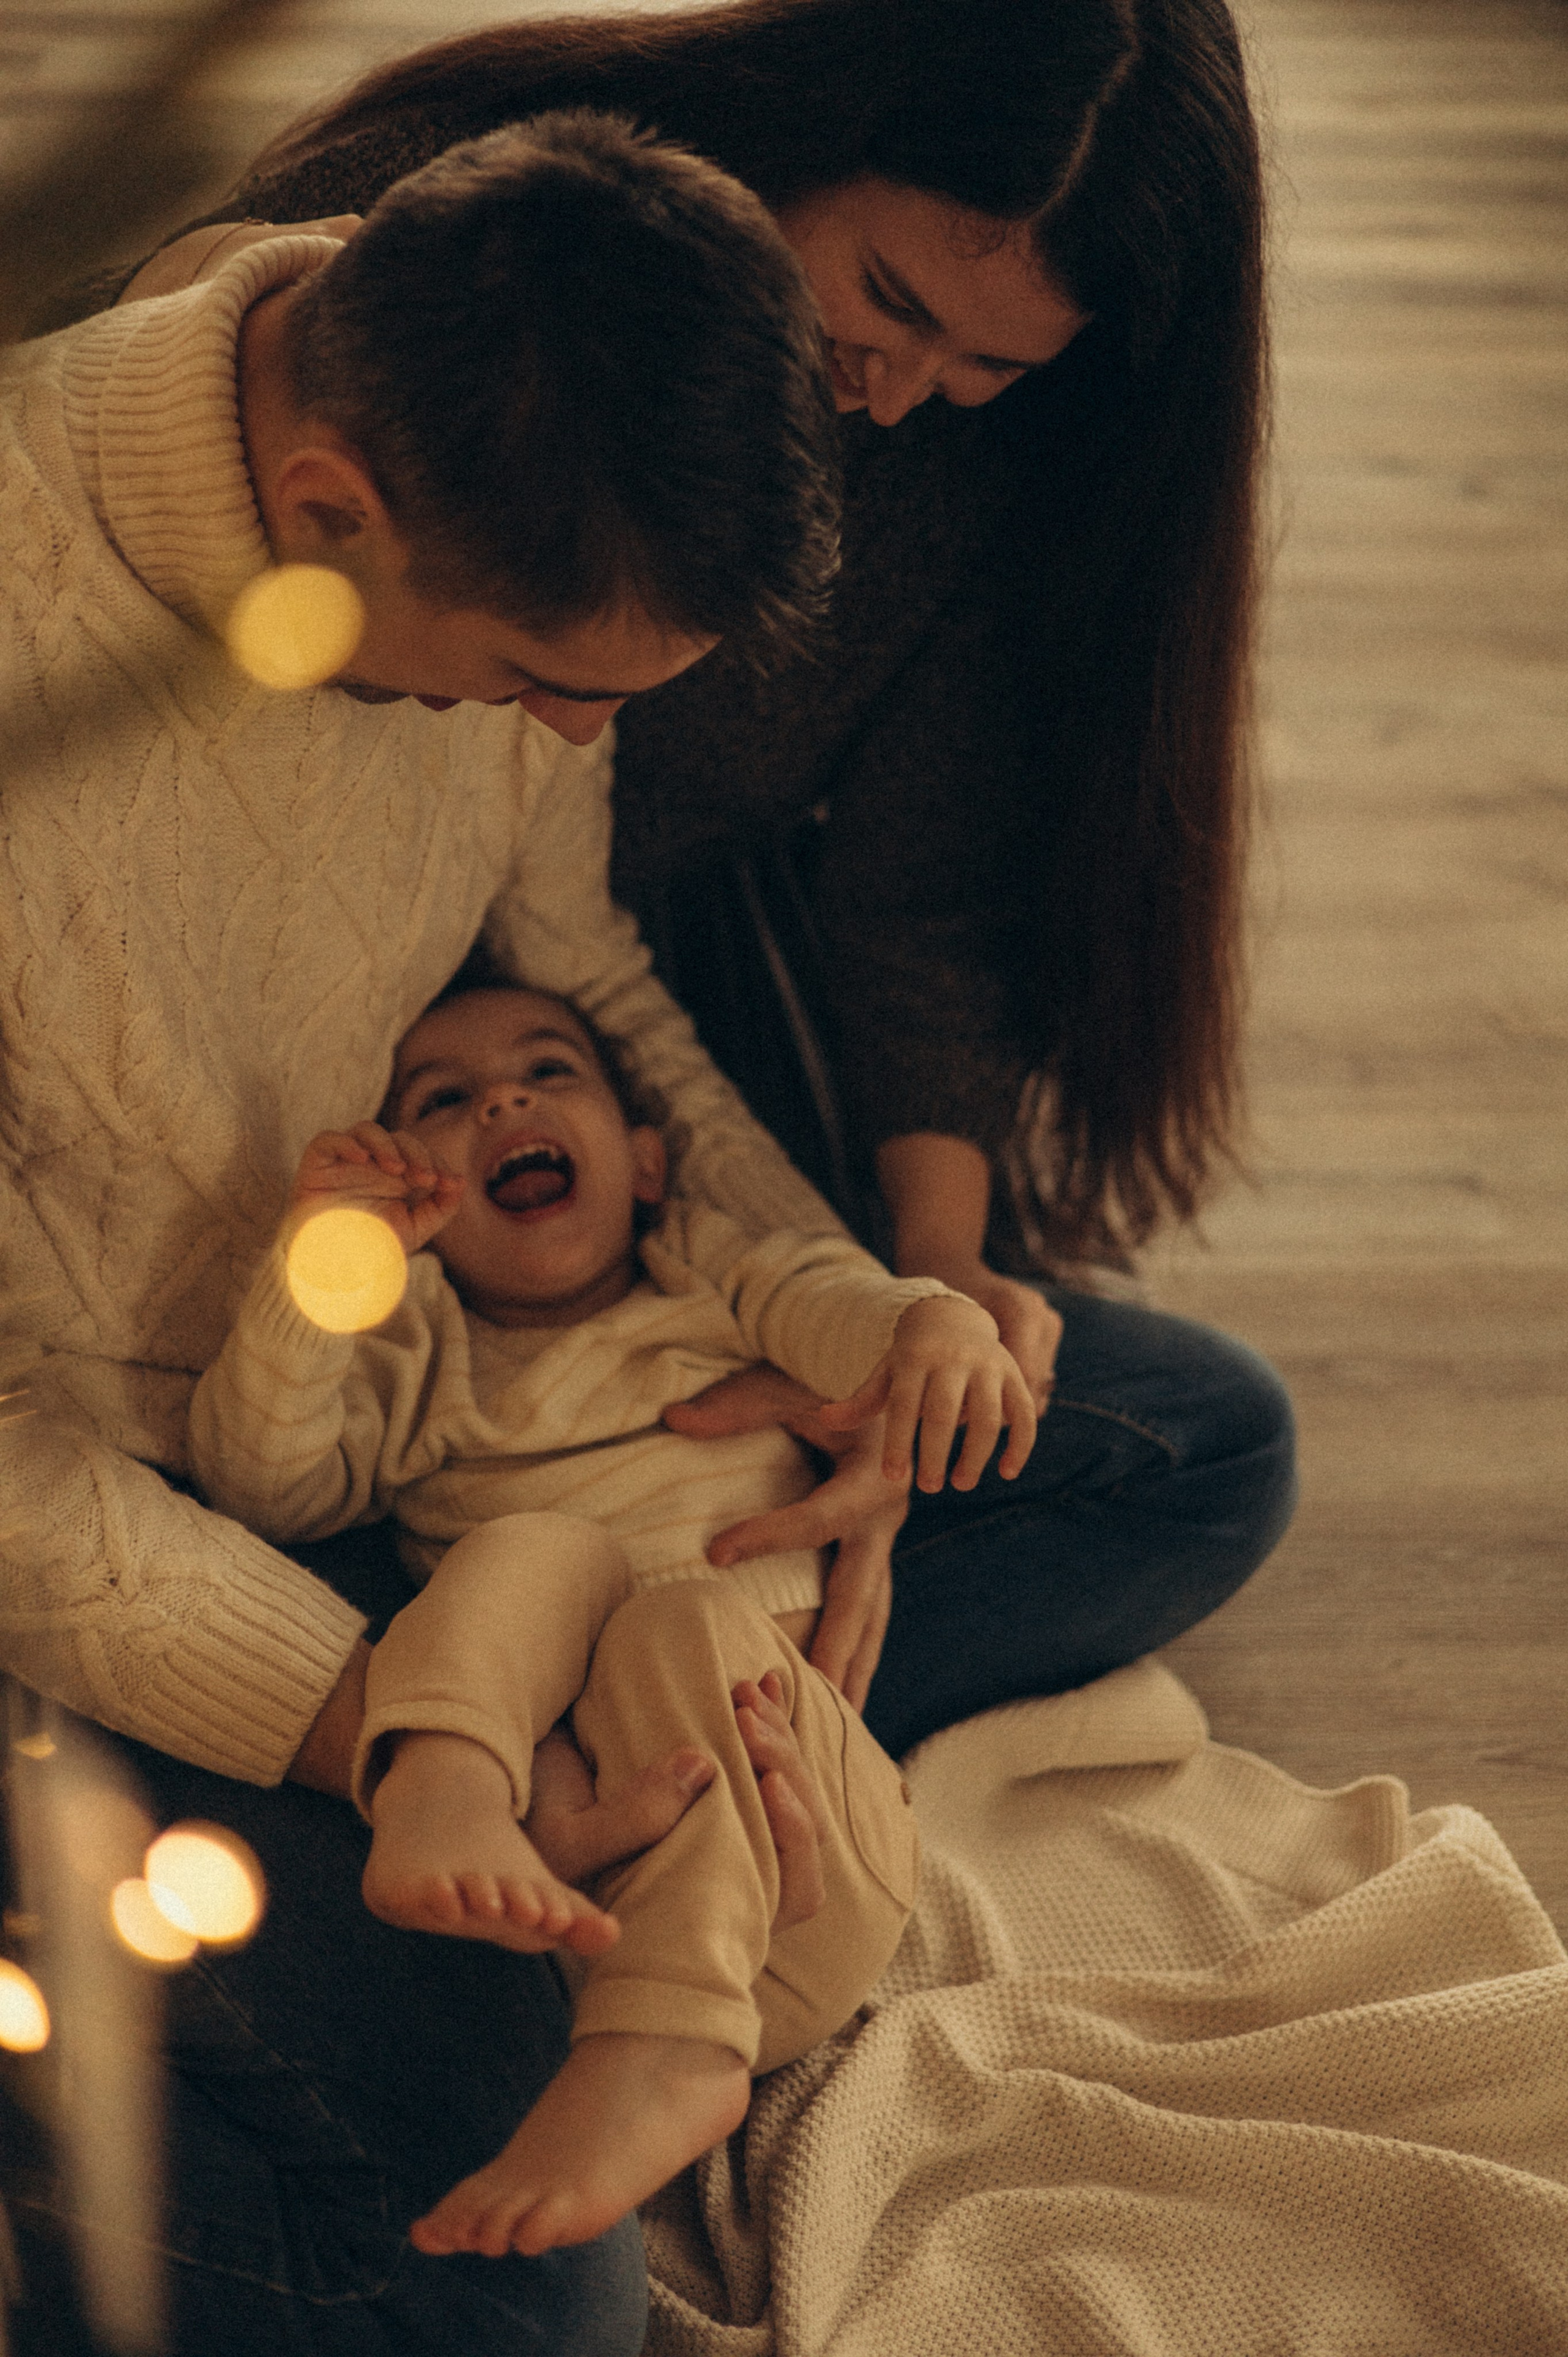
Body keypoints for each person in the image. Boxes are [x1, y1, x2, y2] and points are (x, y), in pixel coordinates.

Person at [110, 0, 1297, 1762]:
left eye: (990, 367)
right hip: (267, 1076)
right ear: (809, 123)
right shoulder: (461, 257)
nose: (900, 392)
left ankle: (660, 1702)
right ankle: (485, 1706)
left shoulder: (958, 466)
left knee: (1207, 1440)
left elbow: (914, 892)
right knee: (209, 1524)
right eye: (889, 301)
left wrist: (923, 1304)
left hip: (630, 1019)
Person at [0, 112, 854, 2356]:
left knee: (1178, 1441)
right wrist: (394, 1726)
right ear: (322, 519)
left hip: (394, 1414)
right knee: (517, 2309)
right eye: (533, 684)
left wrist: (840, 1329)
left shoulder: (463, 427)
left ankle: (650, 1742)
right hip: (85, 1540)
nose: (567, 738)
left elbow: (587, 980)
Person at [189, 971, 1034, 2256]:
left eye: (548, 1071)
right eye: (443, 1100)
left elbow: (829, 1300)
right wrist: (321, 1265)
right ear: (417, 1208)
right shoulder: (421, 1355)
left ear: (644, 1163)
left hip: (810, 1867)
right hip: (569, 1896)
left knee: (676, 1625)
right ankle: (448, 1787)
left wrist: (928, 1323)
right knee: (534, 1552)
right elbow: (264, 1482)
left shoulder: (708, 1277)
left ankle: (672, 2049)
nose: (502, 1102)